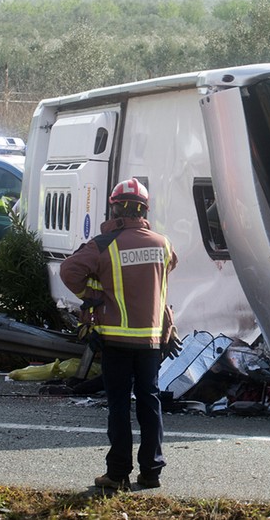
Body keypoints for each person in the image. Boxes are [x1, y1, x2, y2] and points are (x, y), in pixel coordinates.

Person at [59, 177, 178, 491]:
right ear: (144, 210)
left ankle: (117, 473)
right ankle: (151, 472)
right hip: (152, 339)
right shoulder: (163, 244)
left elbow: (69, 271)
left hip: (115, 339)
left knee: (119, 406)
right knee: (150, 403)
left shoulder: (104, 243)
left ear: (114, 207)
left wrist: (94, 295)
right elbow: (165, 273)